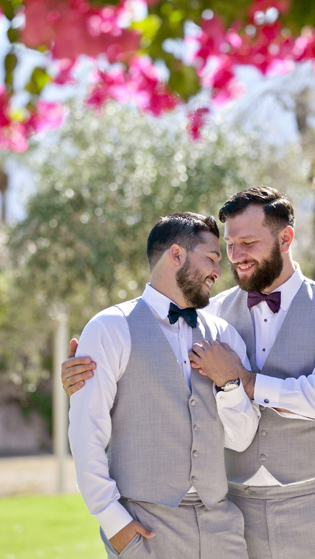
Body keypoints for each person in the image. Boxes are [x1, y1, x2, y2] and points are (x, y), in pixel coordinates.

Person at [64, 188, 315, 559]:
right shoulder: (216, 315)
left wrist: (243, 381)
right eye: (229, 245)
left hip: (314, 505)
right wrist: (85, 377)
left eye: (249, 242)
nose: (235, 257)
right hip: (237, 510)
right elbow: (110, 409)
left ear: (285, 238)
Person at [68, 212, 259, 559]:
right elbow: (86, 433)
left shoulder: (223, 334)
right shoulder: (110, 327)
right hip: (145, 527)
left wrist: (229, 384)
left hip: (221, 527)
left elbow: (241, 437)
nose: (218, 271)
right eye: (212, 259)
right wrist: (114, 523)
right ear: (176, 255)